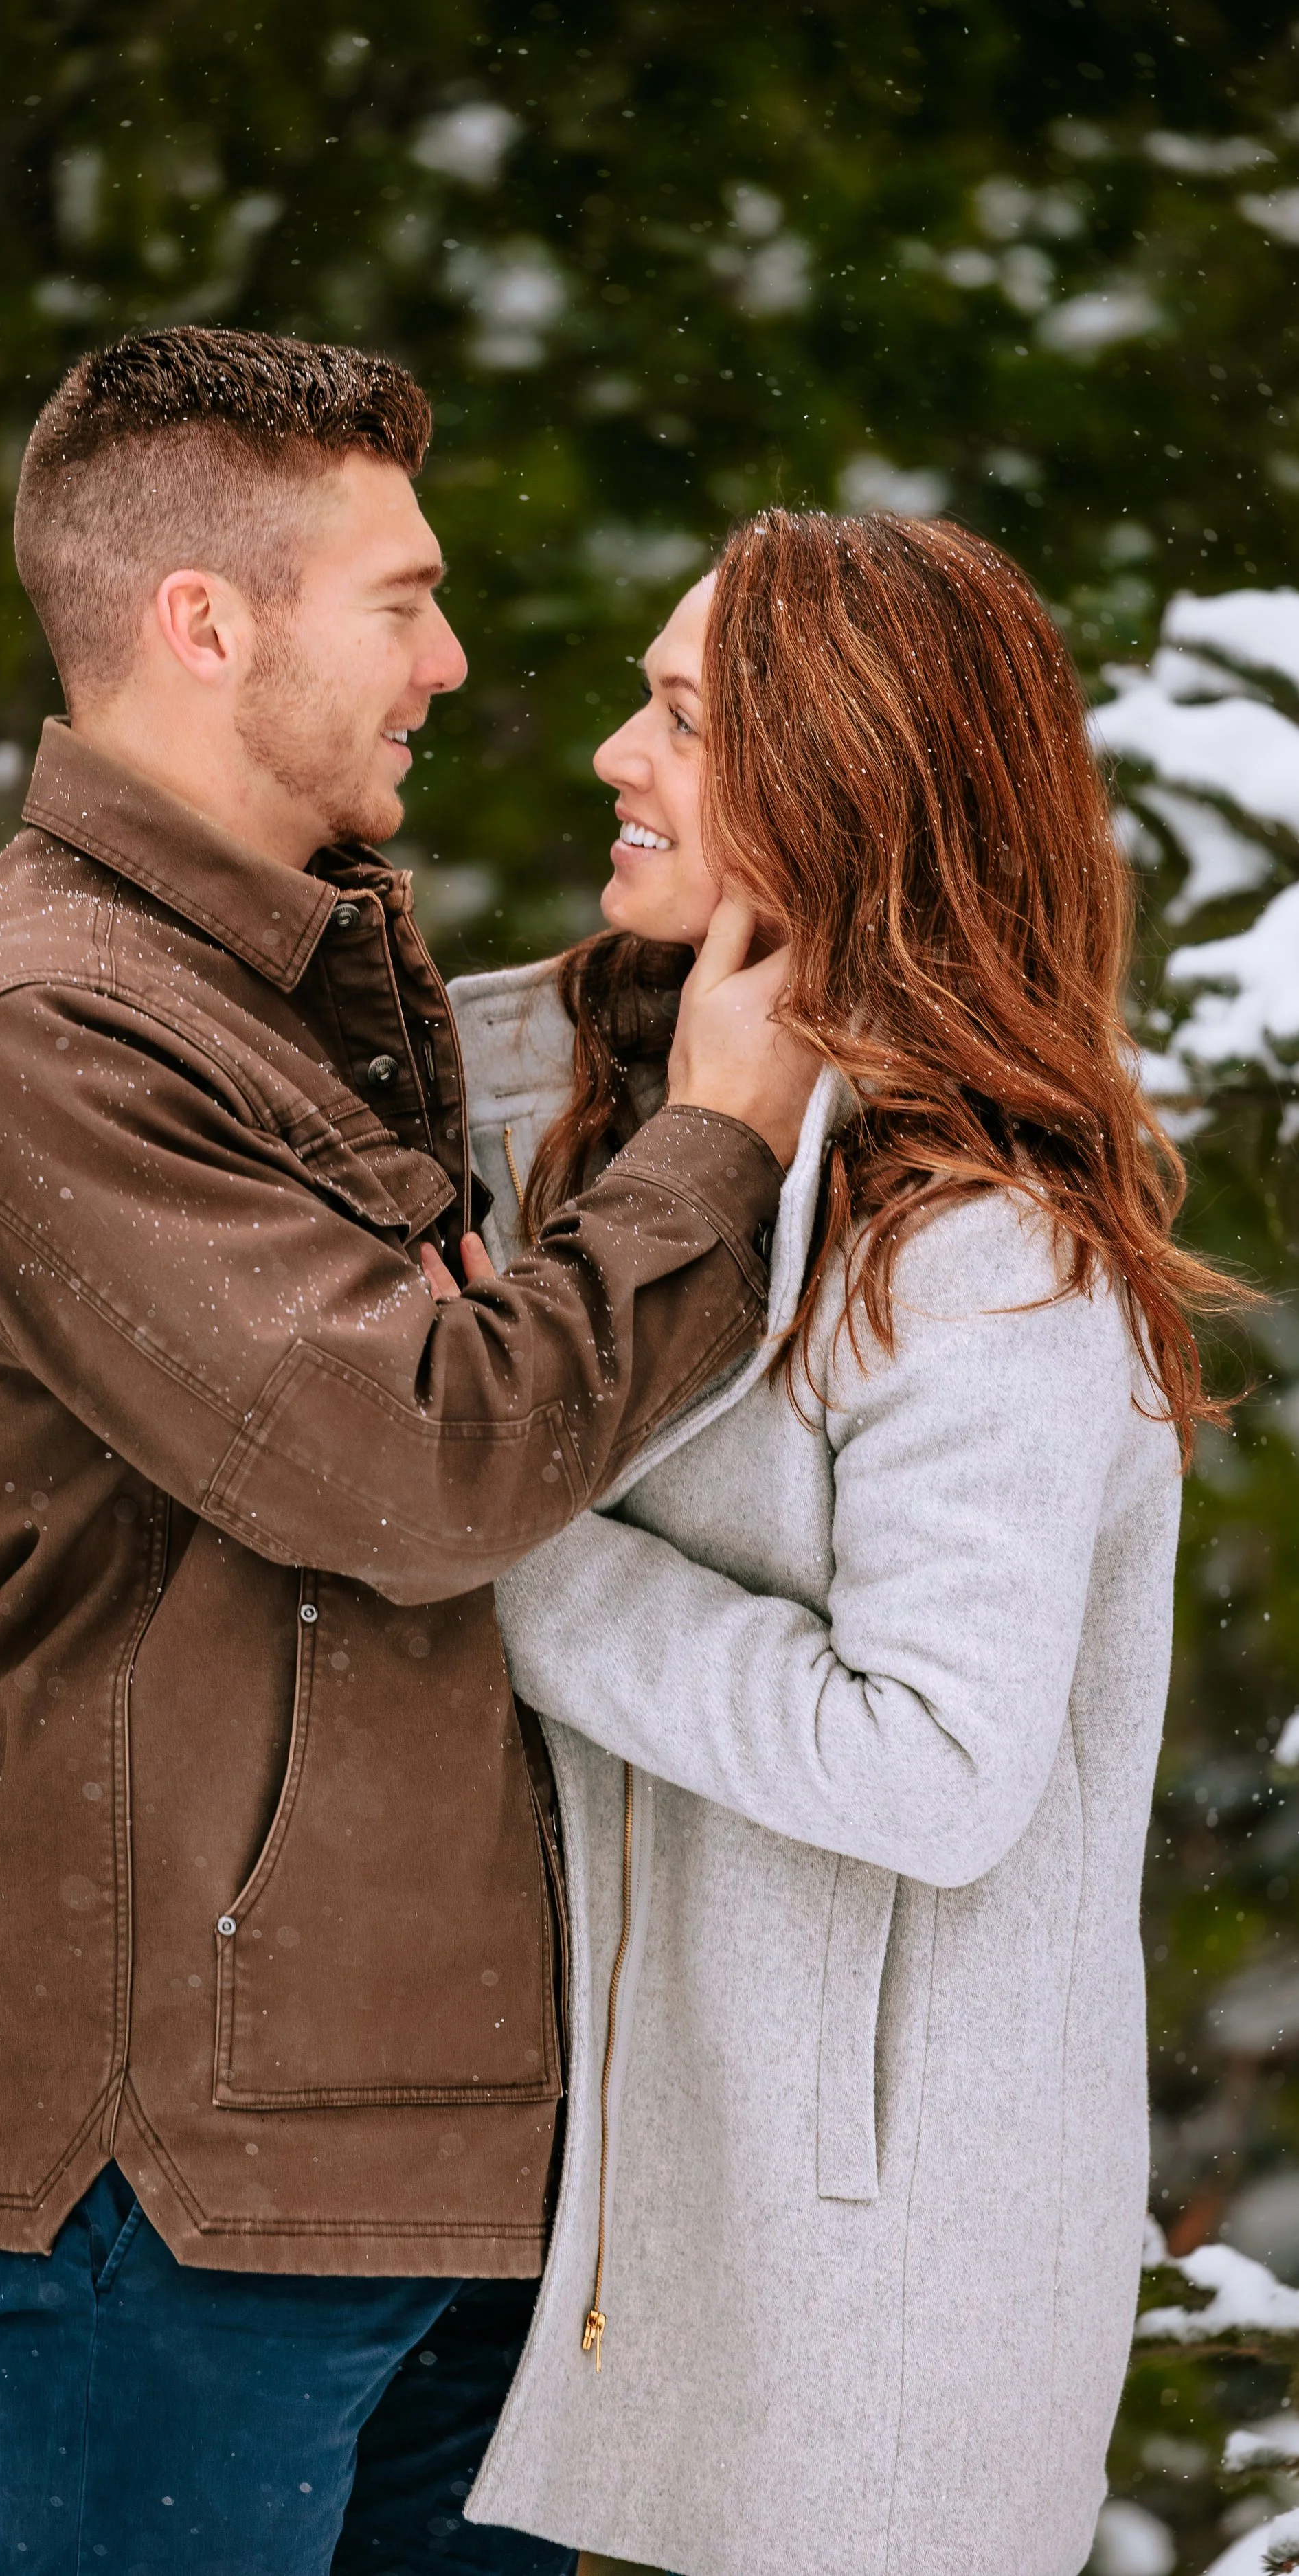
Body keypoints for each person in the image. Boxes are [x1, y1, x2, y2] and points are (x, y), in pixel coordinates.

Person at [0, 329, 815, 2576]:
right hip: (188, 2170)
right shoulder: (52, 1022)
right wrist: (712, 1143)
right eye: (399, 597)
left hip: (439, 2138)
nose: (451, 660)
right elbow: (417, 1466)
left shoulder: (287, 973)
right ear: (208, 620)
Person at [440, 512, 1236, 2576]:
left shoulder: (983, 1258)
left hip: (886, 2310)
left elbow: (933, 1762)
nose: (617, 755)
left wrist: (498, 1552)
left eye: (684, 721)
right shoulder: (702, 1139)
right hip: (682, 2241)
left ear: (843, 791)